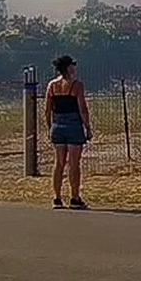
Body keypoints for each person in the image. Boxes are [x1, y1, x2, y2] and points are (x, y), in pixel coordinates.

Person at [45, 54, 92, 209]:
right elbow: (82, 108)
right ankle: (75, 197)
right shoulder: (76, 85)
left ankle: (57, 197)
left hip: (57, 124)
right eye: (72, 65)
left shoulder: (52, 85)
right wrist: (88, 127)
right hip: (73, 125)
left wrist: (50, 126)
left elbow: (47, 110)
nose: (75, 68)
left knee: (59, 163)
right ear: (68, 68)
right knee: (74, 164)